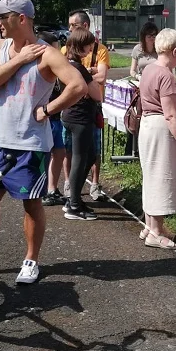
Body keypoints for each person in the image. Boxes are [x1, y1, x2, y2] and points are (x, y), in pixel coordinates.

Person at [0, 0, 87, 285]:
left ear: (21, 19)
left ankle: (31, 260)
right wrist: (19, 59)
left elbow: (78, 85)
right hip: (0, 142)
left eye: (2, 17)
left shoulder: (47, 54)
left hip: (30, 146)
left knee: (31, 204)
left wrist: (48, 109)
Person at [138, 28, 176, 249]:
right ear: (174, 51)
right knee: (161, 178)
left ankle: (150, 226)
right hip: (161, 130)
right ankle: (156, 232)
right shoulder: (166, 76)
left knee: (151, 176)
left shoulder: (149, 69)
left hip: (149, 126)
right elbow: (170, 114)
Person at [64, 10, 110, 201]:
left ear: (84, 27)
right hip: (77, 113)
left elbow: (102, 76)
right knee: (77, 154)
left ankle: (85, 190)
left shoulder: (99, 50)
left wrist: (86, 76)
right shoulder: (69, 55)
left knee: (90, 153)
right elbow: (94, 89)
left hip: (82, 111)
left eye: (73, 25)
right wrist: (89, 75)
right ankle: (73, 197)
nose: (69, 29)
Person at [61, 28, 104, 220]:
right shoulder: (78, 68)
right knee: (81, 158)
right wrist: (92, 81)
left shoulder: (68, 64)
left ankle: (75, 198)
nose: (90, 49)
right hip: (80, 117)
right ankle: (74, 205)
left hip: (72, 115)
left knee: (88, 156)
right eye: (88, 45)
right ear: (80, 46)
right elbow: (97, 94)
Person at [40, 33, 67, 207]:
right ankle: (41, 190)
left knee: (59, 152)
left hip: (57, 118)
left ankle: (52, 189)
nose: (58, 53)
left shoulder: (58, 66)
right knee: (44, 155)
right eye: (54, 49)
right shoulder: (40, 67)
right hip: (45, 118)